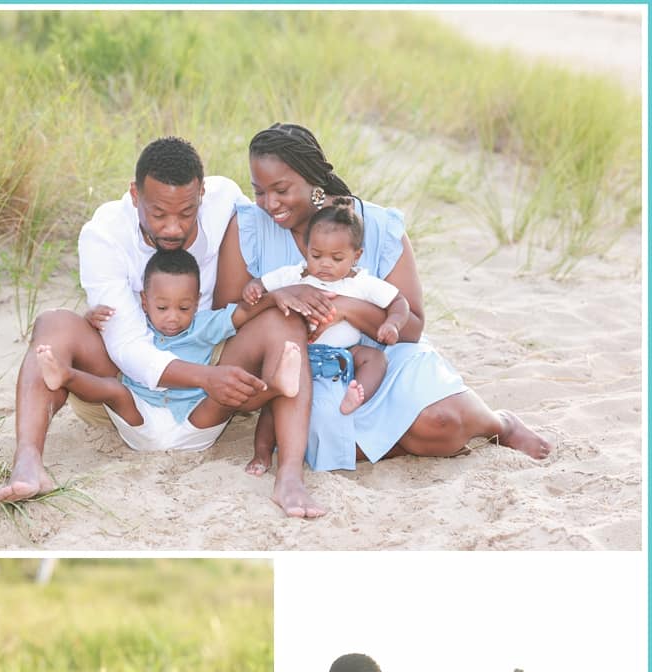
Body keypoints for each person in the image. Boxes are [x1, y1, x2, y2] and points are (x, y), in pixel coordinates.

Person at [0, 135, 325, 519]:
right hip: (127, 384)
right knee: (54, 323)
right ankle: (29, 462)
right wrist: (205, 378)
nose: (173, 228)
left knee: (283, 322)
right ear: (135, 195)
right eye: (158, 214)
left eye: (186, 213)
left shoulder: (226, 201)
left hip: (211, 355)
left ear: (202, 193)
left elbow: (282, 230)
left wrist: (283, 287)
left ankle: (289, 477)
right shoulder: (103, 234)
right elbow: (127, 348)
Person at [219, 122, 552, 474]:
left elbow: (411, 328)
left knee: (442, 423)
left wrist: (345, 309)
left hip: (383, 356)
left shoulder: (376, 226)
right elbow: (230, 321)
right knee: (339, 448)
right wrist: (280, 298)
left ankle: (500, 424)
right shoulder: (249, 228)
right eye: (259, 192)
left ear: (312, 180)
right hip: (311, 372)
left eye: (281, 190)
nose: (270, 204)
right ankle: (410, 438)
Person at [33, 248, 300, 452]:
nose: (173, 317)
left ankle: (276, 387)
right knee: (114, 391)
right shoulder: (131, 326)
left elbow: (242, 312)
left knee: (225, 399)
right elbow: (95, 339)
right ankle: (65, 376)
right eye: (162, 308)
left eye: (184, 308)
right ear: (144, 301)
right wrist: (91, 318)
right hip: (139, 418)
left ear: (196, 303)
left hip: (195, 423)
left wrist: (272, 297)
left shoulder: (205, 326)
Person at [247, 198, 409, 416]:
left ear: (356, 256)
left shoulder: (361, 282)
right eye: (316, 255)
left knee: (375, 358)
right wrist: (253, 288)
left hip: (343, 355)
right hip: (299, 356)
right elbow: (262, 284)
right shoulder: (297, 274)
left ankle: (356, 394)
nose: (325, 263)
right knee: (274, 408)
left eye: (337, 258)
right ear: (307, 249)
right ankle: (264, 449)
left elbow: (399, 301)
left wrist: (393, 324)